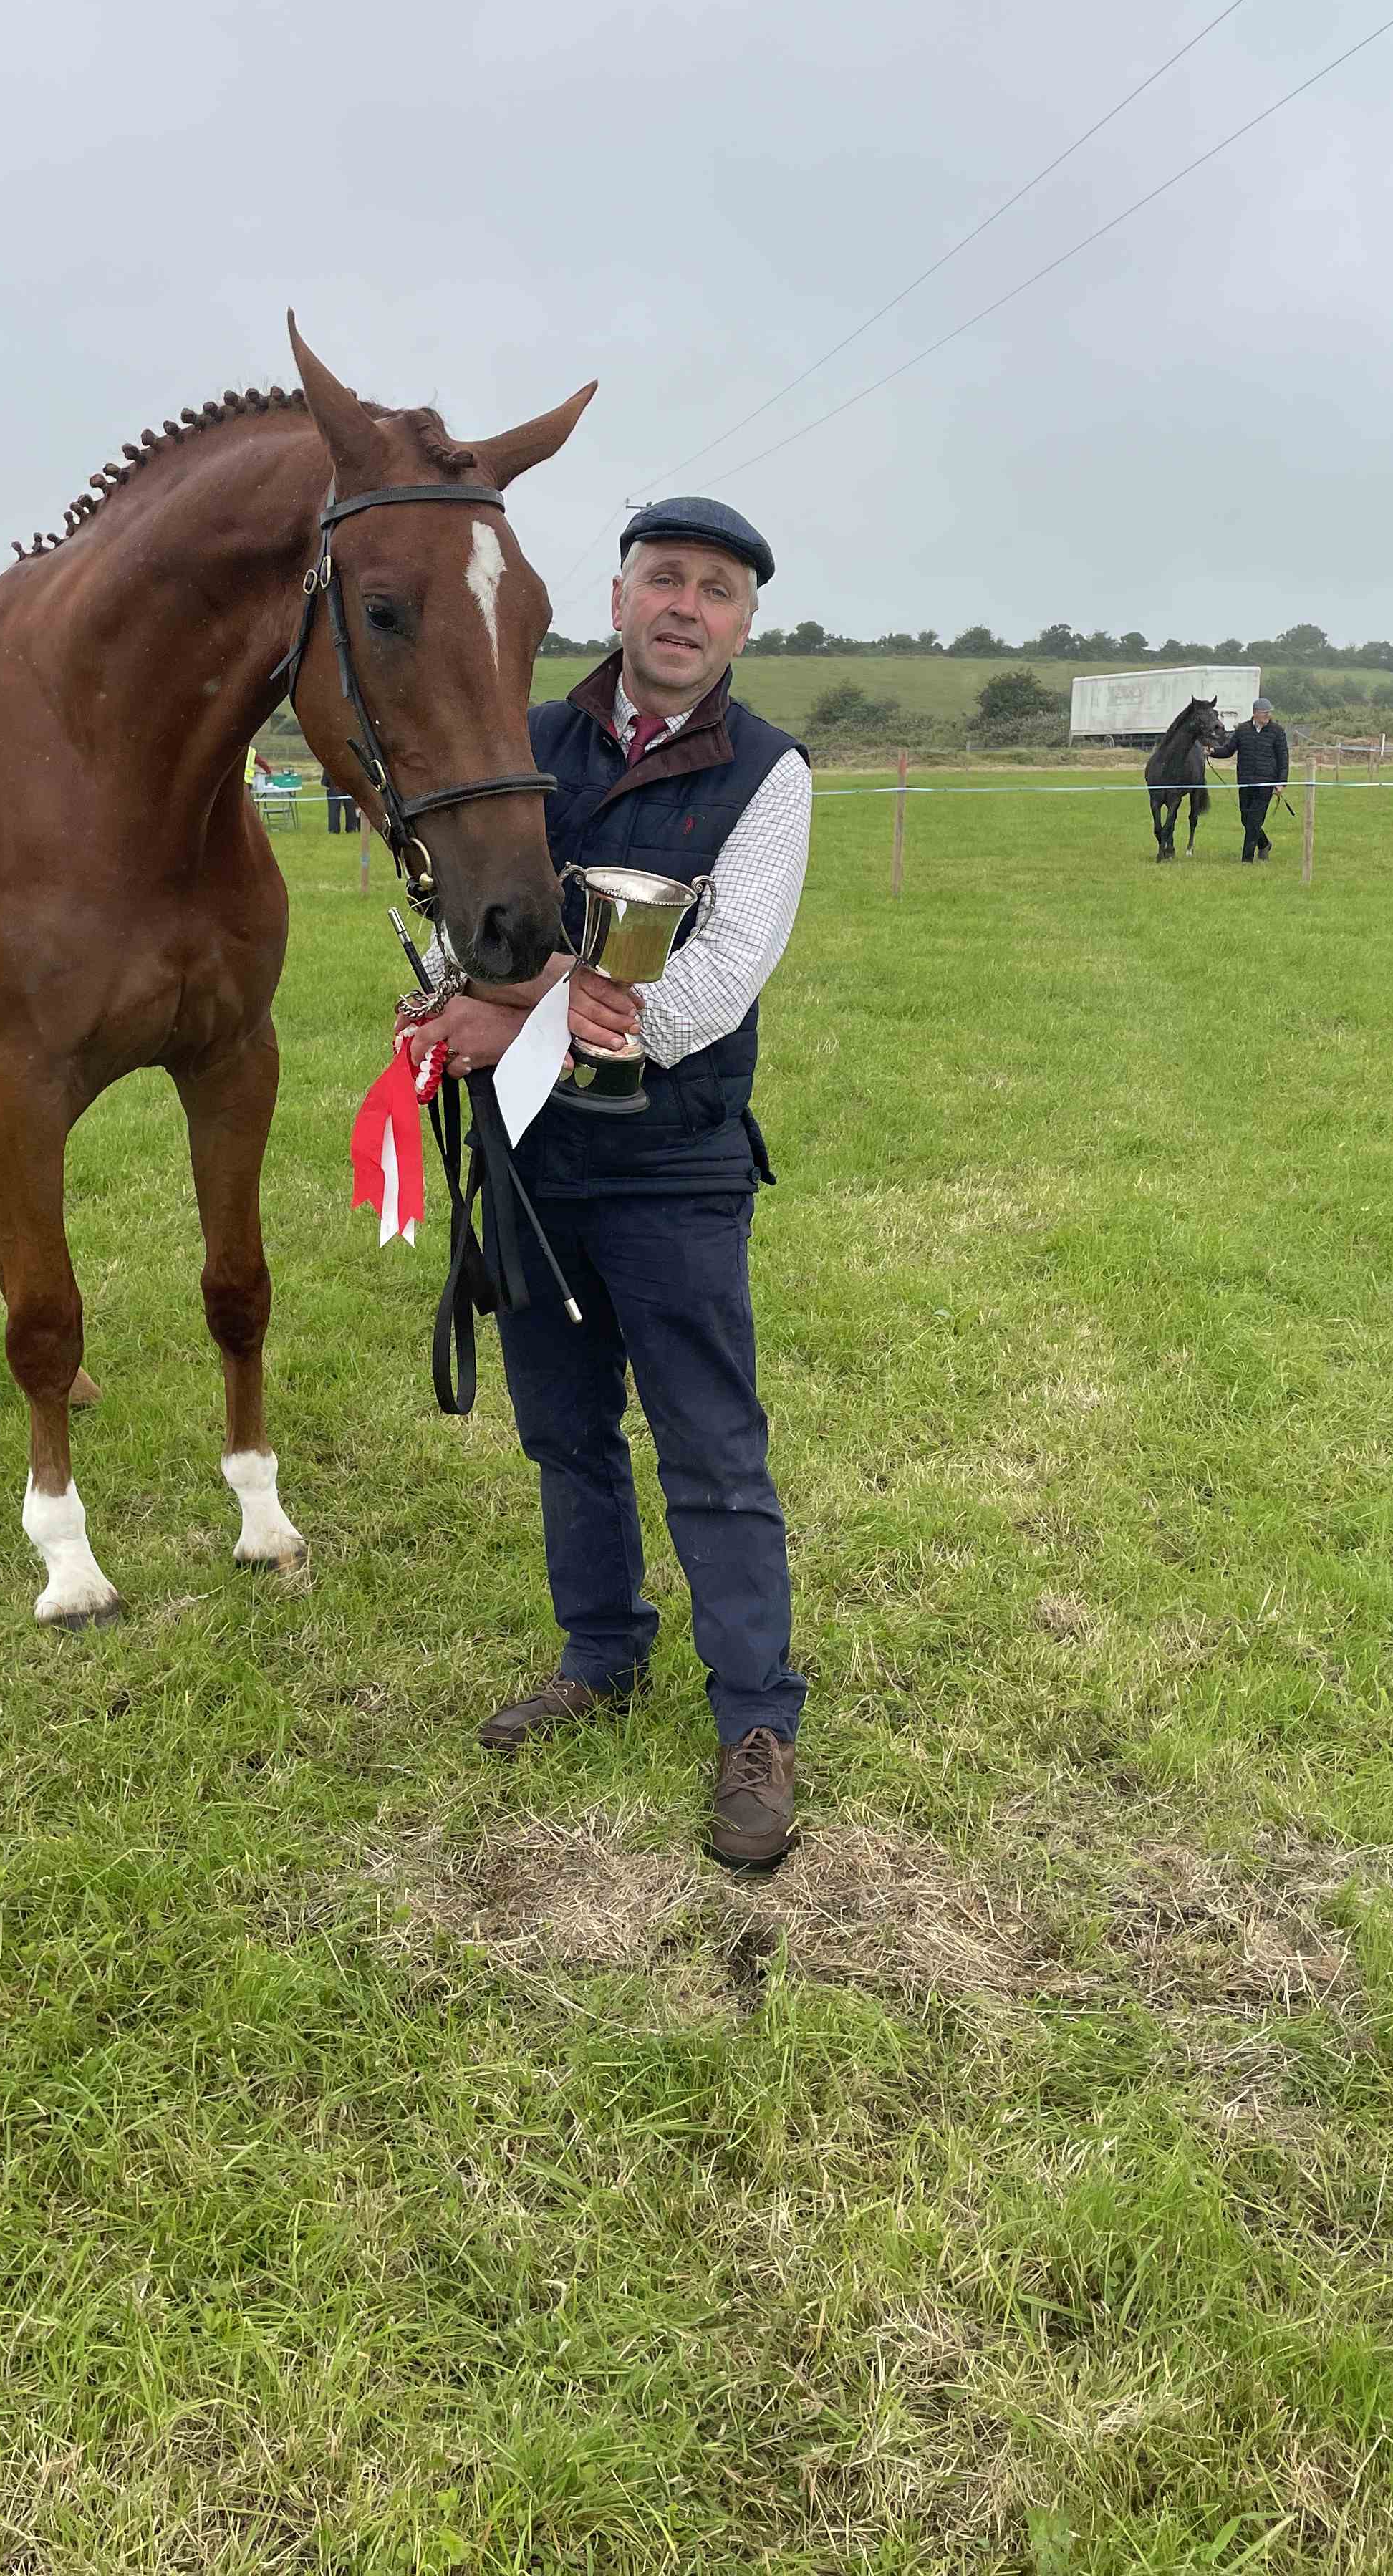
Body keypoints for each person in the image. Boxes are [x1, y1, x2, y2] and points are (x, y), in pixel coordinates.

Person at [410, 496, 812, 1869]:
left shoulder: (768, 774)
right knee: (564, 1430)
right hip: (532, 1157)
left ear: (741, 624)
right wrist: (457, 999)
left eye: (715, 589)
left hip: (675, 1165)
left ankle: (753, 1718)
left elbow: (699, 993)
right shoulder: (524, 739)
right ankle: (600, 1655)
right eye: (664, 578)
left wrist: (512, 1012)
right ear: (619, 596)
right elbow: (465, 920)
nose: (685, 605)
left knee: (710, 1446)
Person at [1213, 695, 1289, 860]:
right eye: (1264, 713)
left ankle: (1246, 860)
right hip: (1246, 782)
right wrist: (1212, 751)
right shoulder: (1242, 730)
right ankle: (1264, 844)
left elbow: (1283, 758)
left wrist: (1281, 783)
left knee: (1254, 820)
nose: (1268, 716)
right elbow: (1228, 750)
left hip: (1266, 783)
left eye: (1269, 713)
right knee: (1246, 819)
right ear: (1255, 713)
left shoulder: (1277, 732)